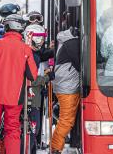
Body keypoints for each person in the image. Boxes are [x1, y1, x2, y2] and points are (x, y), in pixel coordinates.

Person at [0, 14, 37, 154]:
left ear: (7, 27)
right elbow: (32, 75)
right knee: (12, 130)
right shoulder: (25, 49)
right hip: (15, 98)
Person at [51, 26, 81, 154]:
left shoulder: (68, 40)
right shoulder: (73, 43)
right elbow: (80, 64)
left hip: (66, 84)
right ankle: (56, 149)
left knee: (65, 119)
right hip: (67, 87)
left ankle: (56, 147)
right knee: (66, 120)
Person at [23, 24, 50, 154]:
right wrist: (46, 78)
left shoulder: (34, 53)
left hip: (34, 94)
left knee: (35, 128)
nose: (42, 42)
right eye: (39, 38)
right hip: (30, 95)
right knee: (34, 127)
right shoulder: (30, 54)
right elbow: (30, 78)